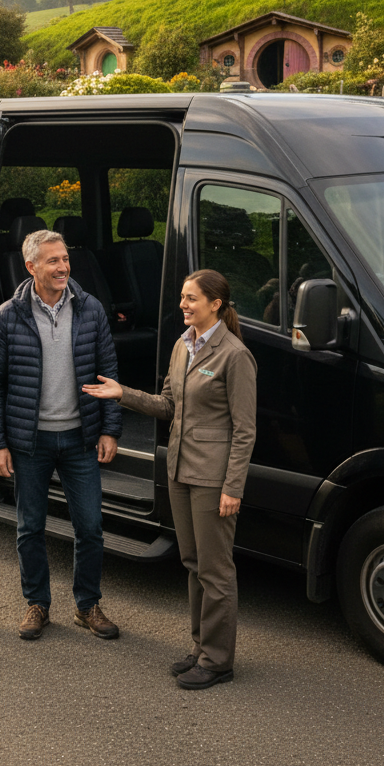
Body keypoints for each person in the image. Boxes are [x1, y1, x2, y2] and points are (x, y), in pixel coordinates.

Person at [83, 268, 256, 689]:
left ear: (215, 304)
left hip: (213, 478)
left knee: (216, 570)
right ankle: (201, 647)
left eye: (191, 298)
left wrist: (233, 487)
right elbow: (167, 405)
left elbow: (245, 429)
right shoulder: (183, 346)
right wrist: (123, 393)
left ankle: (218, 660)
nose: (183, 304)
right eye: (182, 297)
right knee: (193, 563)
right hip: (179, 470)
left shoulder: (234, 355)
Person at [0, 228, 123, 641]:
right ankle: (36, 604)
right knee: (30, 527)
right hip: (31, 442)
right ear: (31, 266)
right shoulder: (8, 316)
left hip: (81, 438)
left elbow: (108, 373)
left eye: (65, 258)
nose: (63, 267)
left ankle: (87, 605)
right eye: (52, 260)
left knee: (91, 526)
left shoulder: (91, 309)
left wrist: (110, 429)